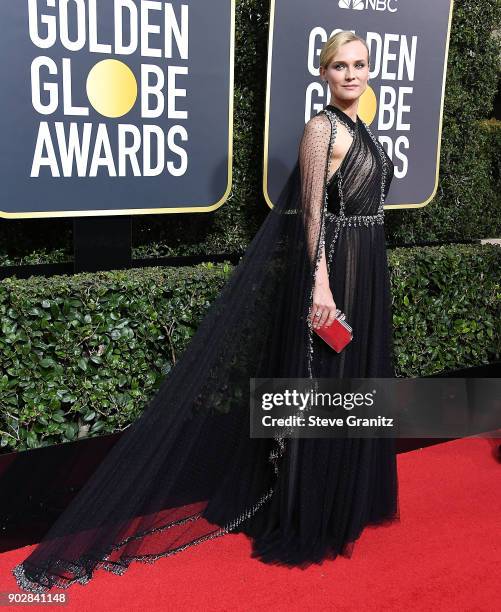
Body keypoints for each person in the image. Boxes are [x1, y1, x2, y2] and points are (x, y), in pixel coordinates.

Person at [13, 31, 399, 592]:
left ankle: (343, 501)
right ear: (323, 73)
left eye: (360, 65)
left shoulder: (363, 127)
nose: (351, 74)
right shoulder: (323, 129)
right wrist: (321, 286)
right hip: (334, 271)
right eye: (339, 65)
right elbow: (311, 215)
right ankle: (309, 512)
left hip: (367, 271)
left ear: (369, 70)